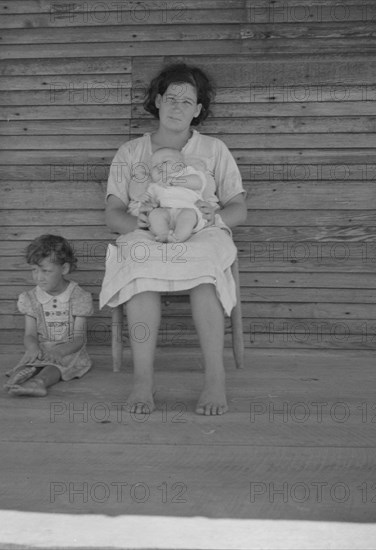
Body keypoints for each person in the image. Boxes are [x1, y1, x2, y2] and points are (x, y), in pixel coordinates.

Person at [99, 63, 247, 416]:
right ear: (158, 101)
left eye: (188, 101)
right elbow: (113, 212)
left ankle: (215, 379)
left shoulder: (213, 150)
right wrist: (140, 223)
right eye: (171, 98)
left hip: (202, 227)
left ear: (198, 110)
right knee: (139, 264)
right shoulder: (131, 152)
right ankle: (143, 381)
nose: (178, 107)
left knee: (204, 267)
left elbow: (239, 207)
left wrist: (216, 218)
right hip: (147, 228)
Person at [5, 234, 94, 397]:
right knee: (30, 363)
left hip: (68, 351)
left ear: (64, 269)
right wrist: (33, 347)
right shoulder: (30, 298)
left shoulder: (79, 297)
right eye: (34, 270)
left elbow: (79, 339)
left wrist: (59, 352)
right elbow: (30, 334)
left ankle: (39, 382)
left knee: (55, 367)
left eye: (45, 271)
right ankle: (22, 376)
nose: (39, 277)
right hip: (42, 348)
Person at [131, 146, 219, 242]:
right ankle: (163, 235)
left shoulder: (187, 173)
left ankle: (178, 237)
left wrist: (176, 180)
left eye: (165, 162)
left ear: (180, 166)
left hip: (188, 209)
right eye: (154, 166)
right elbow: (150, 204)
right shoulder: (154, 186)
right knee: (155, 214)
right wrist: (144, 199)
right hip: (165, 213)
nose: (159, 167)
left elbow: (198, 182)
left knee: (187, 215)